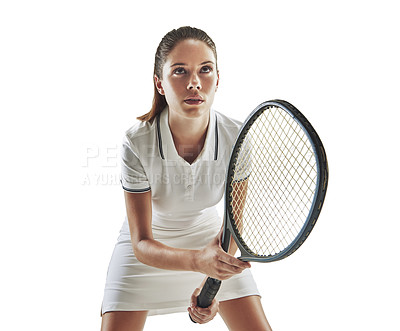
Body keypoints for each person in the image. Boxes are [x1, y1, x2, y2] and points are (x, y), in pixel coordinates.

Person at [100, 26, 273, 331]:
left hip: (211, 242)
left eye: (205, 70)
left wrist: (211, 282)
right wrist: (197, 261)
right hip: (148, 249)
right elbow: (141, 243)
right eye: (180, 71)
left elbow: (232, 228)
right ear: (160, 83)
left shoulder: (238, 138)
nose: (194, 83)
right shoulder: (137, 142)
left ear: (218, 79)